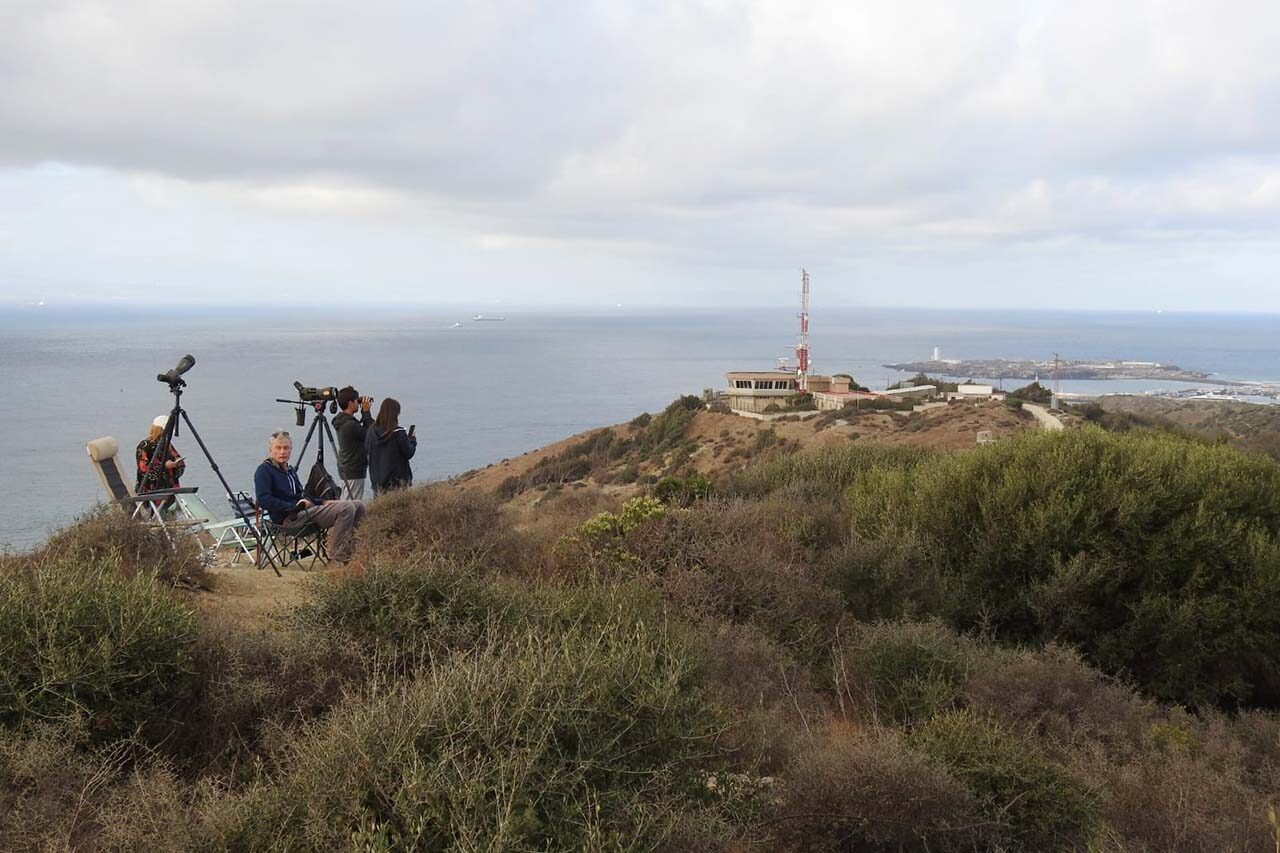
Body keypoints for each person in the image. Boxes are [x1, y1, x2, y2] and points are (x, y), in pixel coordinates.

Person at [254, 430, 367, 563]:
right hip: (289, 519)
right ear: (270, 450)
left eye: (286, 448)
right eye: (278, 448)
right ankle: (338, 557)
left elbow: (301, 496)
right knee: (346, 508)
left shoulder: (289, 471)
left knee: (359, 504)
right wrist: (293, 507)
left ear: (291, 449)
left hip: (304, 512)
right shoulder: (264, 470)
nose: (282, 452)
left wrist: (323, 501)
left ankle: (351, 552)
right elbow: (263, 499)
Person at [365, 397, 417, 495]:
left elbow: (367, 449)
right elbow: (409, 452)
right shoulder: (398, 433)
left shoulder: (371, 431)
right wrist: (413, 440)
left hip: (378, 482)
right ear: (395, 414)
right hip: (397, 483)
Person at [136, 414, 185, 511]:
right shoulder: (145, 446)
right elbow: (144, 470)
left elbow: (177, 461)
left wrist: (177, 464)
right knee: (160, 515)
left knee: (168, 515)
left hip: (169, 489)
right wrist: (165, 466)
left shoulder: (167, 445)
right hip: (151, 491)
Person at [332, 386, 374, 500]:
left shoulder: (343, 421)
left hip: (348, 468)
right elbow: (371, 434)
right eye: (356, 401)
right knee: (351, 505)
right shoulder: (350, 425)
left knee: (348, 501)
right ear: (350, 403)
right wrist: (366, 412)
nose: (358, 403)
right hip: (353, 469)